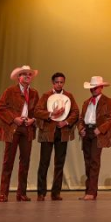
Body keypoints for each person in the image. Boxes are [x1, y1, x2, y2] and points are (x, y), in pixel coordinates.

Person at [0, 65, 40, 202]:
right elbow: (0, 108)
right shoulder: (10, 91)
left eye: (29, 74)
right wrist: (14, 118)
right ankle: (4, 193)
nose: (27, 76)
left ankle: (21, 193)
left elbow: (37, 111)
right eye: (24, 74)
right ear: (18, 77)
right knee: (8, 161)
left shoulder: (34, 93)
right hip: (13, 128)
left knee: (25, 161)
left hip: (27, 128)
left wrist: (33, 120)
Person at [33, 72, 80, 201]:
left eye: (61, 82)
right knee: (44, 162)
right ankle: (41, 193)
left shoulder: (68, 96)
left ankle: (56, 193)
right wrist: (50, 114)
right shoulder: (46, 95)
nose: (59, 84)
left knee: (59, 163)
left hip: (62, 132)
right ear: (53, 83)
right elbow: (37, 111)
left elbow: (75, 112)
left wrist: (66, 122)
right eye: (57, 82)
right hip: (48, 132)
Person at [77, 76, 111, 201]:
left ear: (101, 87)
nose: (93, 90)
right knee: (88, 162)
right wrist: (81, 129)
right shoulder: (86, 102)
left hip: (97, 133)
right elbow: (81, 118)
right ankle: (88, 190)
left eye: (96, 87)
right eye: (92, 88)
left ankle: (91, 192)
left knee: (94, 161)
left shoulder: (107, 101)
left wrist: (100, 129)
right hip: (87, 132)